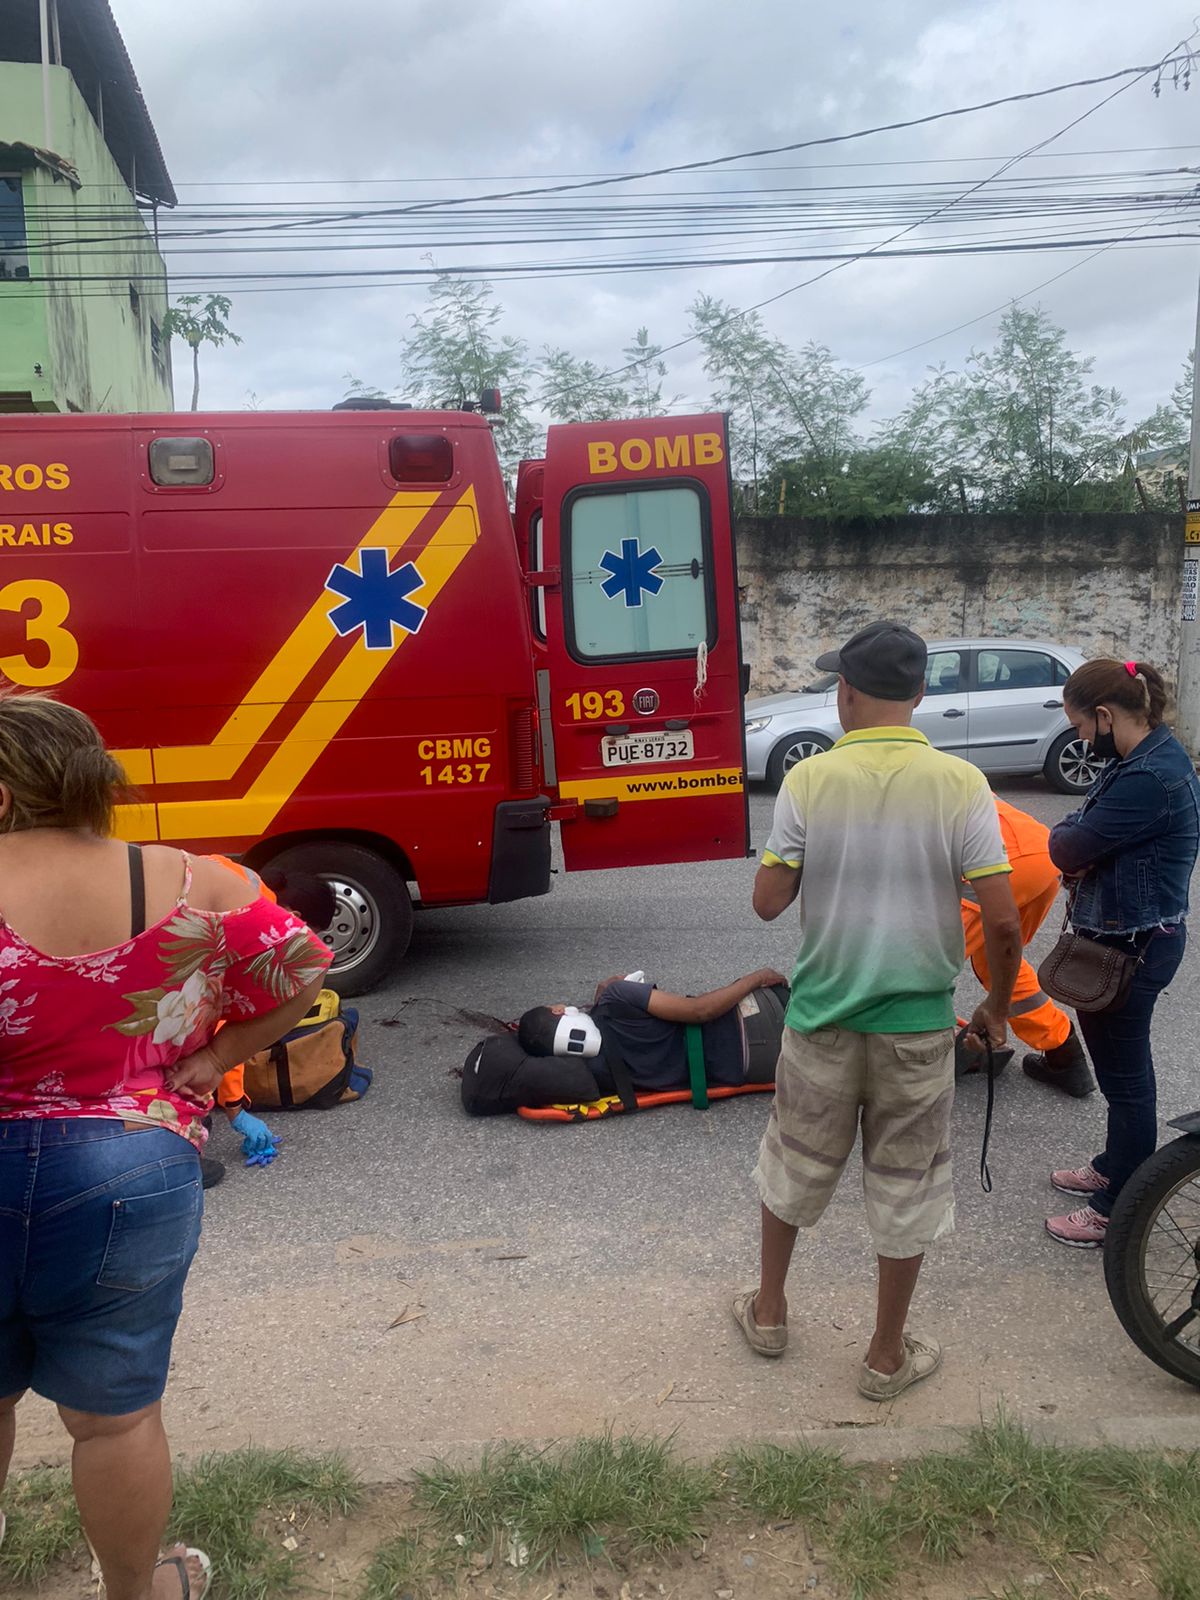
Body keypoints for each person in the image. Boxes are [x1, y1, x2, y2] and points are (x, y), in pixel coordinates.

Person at [0, 693, 332, 1600]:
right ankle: (134, 1594)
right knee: (113, 1421)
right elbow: (305, 969)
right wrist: (220, 1055)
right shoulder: (196, 882)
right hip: (129, 1163)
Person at [741, 621, 1022, 1400]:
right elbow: (1002, 921)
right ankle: (885, 1357)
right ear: (921, 694)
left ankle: (769, 1313)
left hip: (822, 1021)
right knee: (906, 1188)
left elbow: (768, 904)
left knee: (792, 1164)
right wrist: (995, 1008)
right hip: (919, 1032)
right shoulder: (961, 784)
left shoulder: (807, 781)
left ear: (847, 693)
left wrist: (801, 860)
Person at [1043, 659, 1200, 1248]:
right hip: (1121, 940)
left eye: (1082, 726)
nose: (1082, 739)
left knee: (1127, 1079)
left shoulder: (1147, 777)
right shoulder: (1146, 757)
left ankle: (1119, 1204)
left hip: (1131, 948)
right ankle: (1114, 1164)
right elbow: (1081, 828)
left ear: (1106, 716)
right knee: (1117, 1072)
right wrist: (1081, 843)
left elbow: (1070, 843)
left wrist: (1079, 848)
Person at [200, 860, 337, 1189]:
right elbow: (225, 1026)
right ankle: (179, 1156)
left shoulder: (241, 876)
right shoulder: (255, 920)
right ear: (300, 920)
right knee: (188, 1056)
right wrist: (234, 1108)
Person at [958, 796, 1094, 1098]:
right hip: (1043, 856)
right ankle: (1064, 1055)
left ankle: (933, 1046)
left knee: (927, 965)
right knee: (998, 964)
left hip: (1000, 864)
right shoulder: (939, 771)